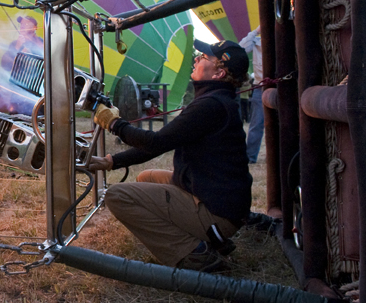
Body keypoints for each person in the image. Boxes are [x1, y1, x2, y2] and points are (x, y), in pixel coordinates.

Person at [89, 39, 252, 273]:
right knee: (146, 177)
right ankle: (207, 239)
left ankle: (195, 254)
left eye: (203, 57)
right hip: (217, 200)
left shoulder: (211, 106)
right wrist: (113, 161)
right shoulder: (215, 101)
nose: (196, 58)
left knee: (117, 196)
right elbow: (163, 142)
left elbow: (156, 143)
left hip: (216, 213)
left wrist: (114, 124)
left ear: (219, 73)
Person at [239, 26, 264, 163]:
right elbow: (241, 49)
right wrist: (256, 31)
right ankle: (250, 157)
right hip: (260, 87)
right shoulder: (257, 41)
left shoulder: (285, 39)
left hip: (282, 87)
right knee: (256, 123)